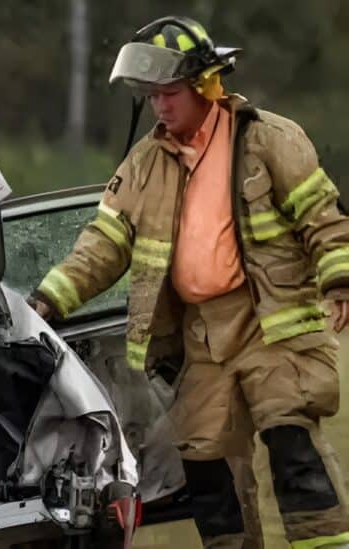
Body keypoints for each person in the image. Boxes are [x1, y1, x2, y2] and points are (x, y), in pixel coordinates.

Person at [32, 15, 349, 549]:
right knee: (205, 469)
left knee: (291, 441)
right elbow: (102, 246)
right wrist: (46, 302)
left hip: (270, 321)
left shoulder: (270, 138)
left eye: (169, 93)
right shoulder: (143, 165)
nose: (159, 107)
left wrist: (340, 281)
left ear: (207, 84)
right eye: (150, 96)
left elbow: (323, 216)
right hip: (199, 339)